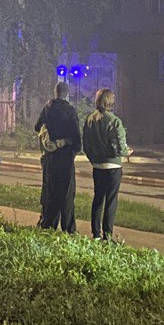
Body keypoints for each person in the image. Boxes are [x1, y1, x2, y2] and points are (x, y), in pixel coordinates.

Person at [83, 88, 130, 241]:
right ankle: (107, 235)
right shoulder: (115, 121)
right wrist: (127, 152)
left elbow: (86, 145)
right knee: (111, 201)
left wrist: (93, 159)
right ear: (110, 101)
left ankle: (96, 234)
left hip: (97, 166)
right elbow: (120, 147)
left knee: (98, 199)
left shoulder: (90, 119)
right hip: (113, 167)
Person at [34, 82, 81, 232]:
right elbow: (76, 139)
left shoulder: (47, 108)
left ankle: (48, 225)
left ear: (55, 92)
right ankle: (68, 229)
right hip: (65, 158)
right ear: (67, 93)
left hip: (49, 158)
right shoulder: (70, 111)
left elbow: (37, 127)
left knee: (50, 191)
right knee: (66, 194)